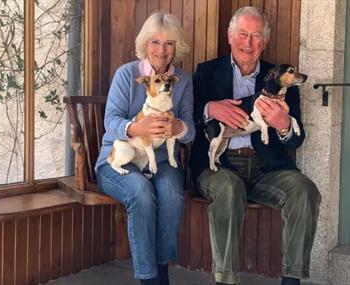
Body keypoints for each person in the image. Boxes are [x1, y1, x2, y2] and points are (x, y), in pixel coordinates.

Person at [190, 6, 321, 285]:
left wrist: (283, 124)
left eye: (256, 36)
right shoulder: (206, 72)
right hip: (221, 166)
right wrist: (209, 109)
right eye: (242, 34)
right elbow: (184, 120)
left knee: (305, 191)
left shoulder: (281, 78)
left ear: (265, 41)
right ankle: (226, 280)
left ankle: (292, 279)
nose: (248, 43)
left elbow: (297, 138)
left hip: (267, 168)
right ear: (229, 37)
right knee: (228, 188)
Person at [95, 12, 195, 285]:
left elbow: (191, 129)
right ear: (145, 45)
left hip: (161, 161)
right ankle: (149, 278)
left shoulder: (183, 80)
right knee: (140, 193)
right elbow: (110, 120)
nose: (162, 51)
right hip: (118, 159)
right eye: (155, 42)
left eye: (169, 43)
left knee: (172, 194)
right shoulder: (127, 75)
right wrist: (136, 129)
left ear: (177, 47)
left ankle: (161, 268)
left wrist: (179, 129)